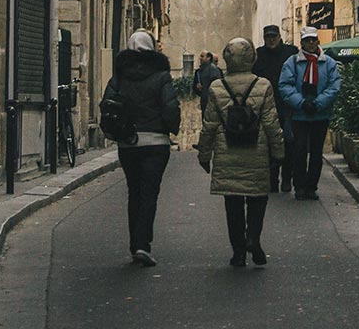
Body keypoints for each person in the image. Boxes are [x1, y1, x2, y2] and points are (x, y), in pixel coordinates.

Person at [198, 37, 284, 268]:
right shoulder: (263, 85)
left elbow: (210, 125)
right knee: (258, 198)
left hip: (228, 150)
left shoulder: (217, 87)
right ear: (251, 58)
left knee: (233, 202)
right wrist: (278, 152)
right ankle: (253, 238)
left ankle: (238, 252)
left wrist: (204, 154)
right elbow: (271, 123)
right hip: (257, 149)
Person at [102, 29, 180, 266]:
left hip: (128, 144)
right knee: (149, 193)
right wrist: (171, 127)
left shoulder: (119, 76)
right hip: (156, 143)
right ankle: (142, 244)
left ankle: (135, 243)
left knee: (134, 192)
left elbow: (107, 105)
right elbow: (170, 108)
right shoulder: (161, 76)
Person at [278, 26, 340, 201]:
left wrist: (318, 103)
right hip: (299, 115)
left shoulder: (328, 63)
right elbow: (285, 85)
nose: (311, 43)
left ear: (318, 42)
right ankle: (299, 186)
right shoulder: (292, 63)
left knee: (316, 152)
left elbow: (334, 86)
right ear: (302, 42)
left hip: (320, 115)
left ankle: (311, 186)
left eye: (314, 40)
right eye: (308, 40)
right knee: (299, 150)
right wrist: (301, 102)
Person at [253, 24, 298, 193]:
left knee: (288, 142)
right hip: (265, 107)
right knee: (268, 144)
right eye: (267, 37)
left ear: (279, 36)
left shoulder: (291, 53)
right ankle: (272, 179)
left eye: (273, 36)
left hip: (287, 106)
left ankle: (286, 178)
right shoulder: (259, 55)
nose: (271, 40)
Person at [194, 48, 222, 115]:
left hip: (212, 102)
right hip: (204, 101)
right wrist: (198, 89)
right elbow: (195, 87)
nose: (200, 58)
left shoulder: (213, 69)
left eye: (202, 56)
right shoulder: (200, 71)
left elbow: (217, 85)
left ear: (208, 58)